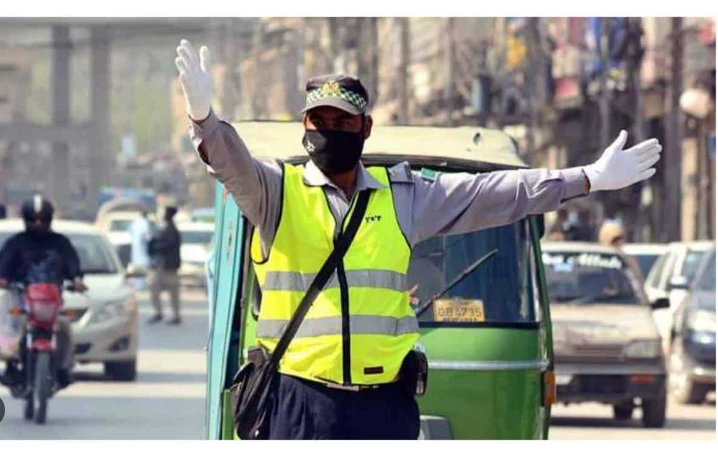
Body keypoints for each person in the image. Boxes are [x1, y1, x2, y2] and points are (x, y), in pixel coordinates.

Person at [175, 39, 662, 439]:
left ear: (365, 129)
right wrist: (205, 120)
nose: (328, 133)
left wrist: (588, 179)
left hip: (383, 408)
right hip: (301, 404)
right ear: (305, 128)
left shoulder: (403, 197)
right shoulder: (278, 194)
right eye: (318, 123)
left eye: (342, 123)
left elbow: (497, 194)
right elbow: (229, 162)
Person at [0, 195, 87, 390]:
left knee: (64, 326)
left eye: (43, 219)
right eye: (34, 219)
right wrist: (4, 279)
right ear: (26, 219)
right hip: (21, 297)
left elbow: (72, 263)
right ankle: (11, 366)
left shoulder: (60, 243)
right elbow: (4, 263)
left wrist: (77, 279)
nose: (38, 223)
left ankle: (64, 368)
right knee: (10, 323)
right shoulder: (16, 243)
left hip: (51, 298)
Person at [147, 206, 182, 325]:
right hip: (163, 266)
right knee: (154, 289)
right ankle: (159, 313)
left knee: (172, 292)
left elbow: (166, 245)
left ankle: (173, 315)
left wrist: (154, 245)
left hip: (168, 268)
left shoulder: (171, 229)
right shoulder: (165, 227)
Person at [130, 210, 152, 291]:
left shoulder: (135, 222)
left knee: (137, 267)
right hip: (142, 250)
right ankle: (141, 286)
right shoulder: (144, 223)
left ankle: (138, 286)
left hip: (136, 250)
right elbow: (147, 237)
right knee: (142, 267)